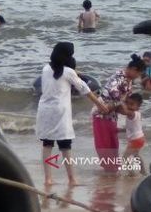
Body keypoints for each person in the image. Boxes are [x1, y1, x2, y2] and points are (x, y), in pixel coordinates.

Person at [36, 42, 108, 186]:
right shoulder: (68, 72)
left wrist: (75, 73)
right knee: (65, 146)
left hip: (44, 110)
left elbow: (58, 78)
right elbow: (85, 89)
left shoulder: (45, 69)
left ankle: (48, 180)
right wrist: (99, 104)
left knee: (47, 144)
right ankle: (72, 179)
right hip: (60, 112)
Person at [92, 54, 146, 171]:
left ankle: (113, 169)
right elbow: (114, 94)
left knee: (113, 144)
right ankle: (110, 170)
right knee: (105, 144)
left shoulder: (129, 81)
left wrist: (127, 109)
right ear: (133, 69)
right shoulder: (119, 77)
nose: (137, 77)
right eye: (138, 74)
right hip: (102, 115)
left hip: (112, 115)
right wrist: (124, 107)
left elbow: (125, 100)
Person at [116, 93, 145, 174]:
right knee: (136, 155)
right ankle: (142, 171)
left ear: (138, 106)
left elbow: (123, 111)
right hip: (140, 138)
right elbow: (132, 128)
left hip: (135, 140)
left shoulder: (132, 113)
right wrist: (120, 130)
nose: (129, 106)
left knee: (125, 158)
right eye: (128, 103)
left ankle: (131, 173)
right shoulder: (137, 114)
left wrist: (121, 101)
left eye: (132, 104)